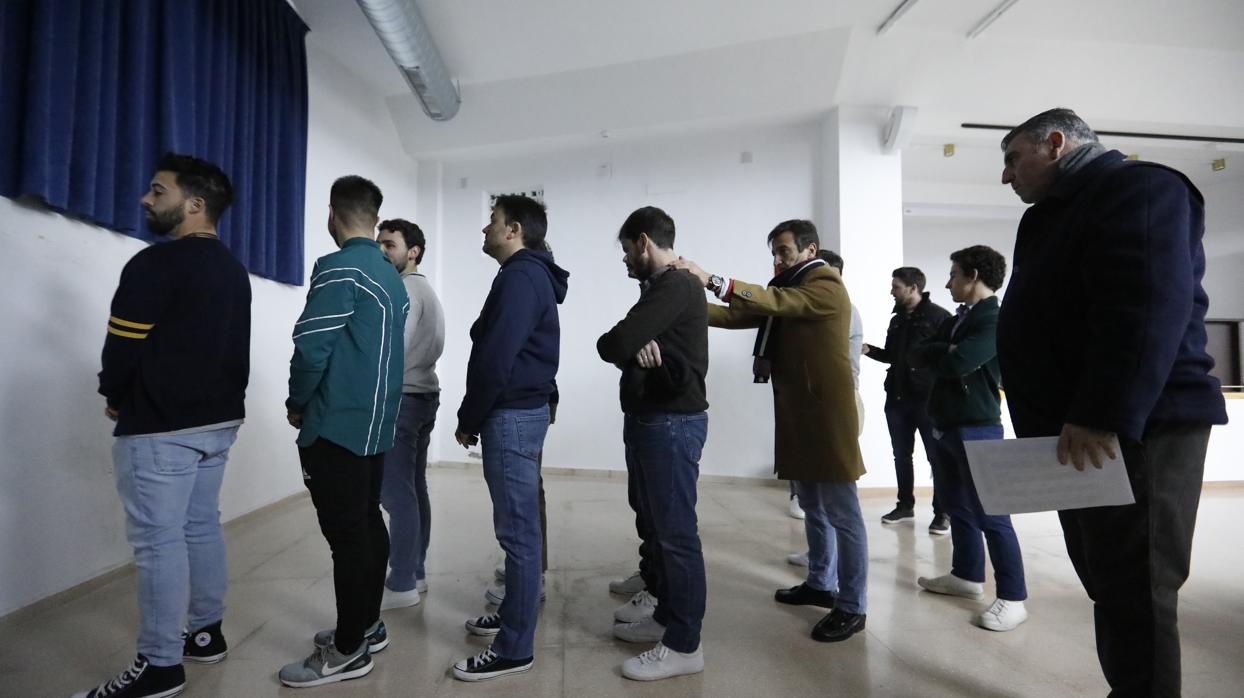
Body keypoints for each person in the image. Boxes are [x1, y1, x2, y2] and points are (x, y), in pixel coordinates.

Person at [995, 108, 1228, 694]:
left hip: (1138, 426)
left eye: (1013, 157)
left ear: (1054, 143)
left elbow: (1144, 303)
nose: (1006, 176)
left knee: (1138, 587)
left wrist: (1102, 412)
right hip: (1083, 431)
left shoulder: (1140, 187)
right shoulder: (1059, 212)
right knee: (1110, 581)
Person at [75, 154, 250, 698]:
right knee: (200, 526)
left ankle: (159, 666)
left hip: (160, 426)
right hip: (217, 423)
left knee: (158, 542)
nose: (146, 200)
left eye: (158, 191)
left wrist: (115, 395)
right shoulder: (232, 269)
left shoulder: (155, 264)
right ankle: (205, 634)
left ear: (194, 205)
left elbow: (122, 346)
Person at [675, 219, 868, 643]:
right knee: (814, 506)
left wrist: (710, 278)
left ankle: (852, 606)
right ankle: (821, 583)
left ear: (809, 249)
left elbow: (774, 302)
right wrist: (679, 300)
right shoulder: (788, 289)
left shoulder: (824, 283)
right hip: (802, 412)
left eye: (783, 251)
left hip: (826, 415)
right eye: (774, 253)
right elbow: (737, 314)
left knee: (842, 512)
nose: (777, 259)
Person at [278, 176, 407, 688]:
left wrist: (297, 402)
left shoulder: (339, 268)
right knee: (367, 525)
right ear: (374, 219)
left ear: (333, 214)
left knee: (347, 537)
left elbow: (312, 347)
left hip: (336, 426)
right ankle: (367, 624)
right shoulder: (389, 275)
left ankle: (349, 649)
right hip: (374, 426)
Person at [452, 195, 568, 681]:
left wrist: (468, 416)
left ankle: (514, 647)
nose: (485, 228)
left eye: (492, 221)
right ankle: (515, 614)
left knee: (517, 533)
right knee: (521, 529)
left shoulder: (521, 276)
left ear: (514, 229)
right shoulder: (526, 275)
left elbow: (497, 356)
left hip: (512, 414)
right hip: (523, 410)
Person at [597, 206, 710, 680]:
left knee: (677, 536)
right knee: (661, 530)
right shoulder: (661, 289)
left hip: (670, 423)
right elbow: (619, 345)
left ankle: (685, 645)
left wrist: (630, 346)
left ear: (644, 242)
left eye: (626, 250)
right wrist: (630, 347)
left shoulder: (676, 285)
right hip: (653, 420)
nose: (624, 260)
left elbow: (615, 342)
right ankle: (664, 617)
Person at [911, 245, 1028, 632]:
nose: (947, 283)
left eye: (953, 275)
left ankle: (1013, 598)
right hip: (946, 424)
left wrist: (945, 352)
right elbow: (920, 351)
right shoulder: (964, 318)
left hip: (979, 427)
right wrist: (946, 349)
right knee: (956, 506)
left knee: (992, 515)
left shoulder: (995, 318)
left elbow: (959, 361)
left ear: (973, 276)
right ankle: (966, 576)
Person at [376, 218, 444, 610]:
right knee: (414, 488)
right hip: (424, 396)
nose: (382, 251)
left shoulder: (403, 290)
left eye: (390, 245)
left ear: (412, 251)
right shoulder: (427, 291)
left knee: (396, 493)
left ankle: (401, 582)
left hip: (403, 399)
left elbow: (391, 350)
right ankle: (414, 572)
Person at [787, 249, 864, 568]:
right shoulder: (814, 308)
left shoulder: (842, 309)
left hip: (838, 404)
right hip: (811, 405)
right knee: (813, 501)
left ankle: (846, 596)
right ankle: (821, 565)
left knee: (838, 504)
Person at [863, 267, 952, 533]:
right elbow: (893, 356)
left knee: (936, 458)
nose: (892, 290)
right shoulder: (897, 320)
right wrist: (868, 350)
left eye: (896, 286)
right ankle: (905, 505)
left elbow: (947, 359)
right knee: (901, 455)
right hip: (897, 399)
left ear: (913, 288)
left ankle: (942, 513)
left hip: (927, 401)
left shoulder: (940, 318)